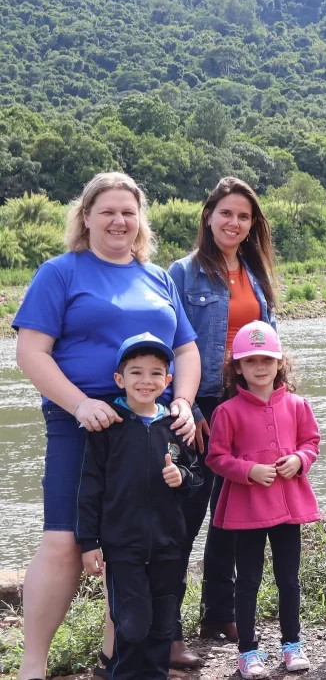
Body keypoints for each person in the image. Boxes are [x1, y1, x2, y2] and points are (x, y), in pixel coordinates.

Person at [12, 172, 200, 680]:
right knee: (63, 541)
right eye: (108, 212)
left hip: (149, 426)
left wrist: (183, 402)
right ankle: (32, 666)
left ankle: (117, 661)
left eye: (128, 212)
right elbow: (31, 352)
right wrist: (79, 405)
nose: (119, 221)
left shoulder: (157, 276)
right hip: (83, 423)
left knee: (133, 543)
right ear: (86, 217)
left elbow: (185, 349)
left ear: (140, 221)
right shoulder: (60, 272)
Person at [168, 176, 278, 660]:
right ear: (208, 217)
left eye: (243, 216)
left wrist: (275, 403)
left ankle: (218, 611)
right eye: (226, 213)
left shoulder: (255, 273)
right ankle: (166, 627)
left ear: (253, 225)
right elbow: (169, 346)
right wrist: (190, 407)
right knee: (185, 515)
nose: (234, 222)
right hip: (200, 406)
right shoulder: (182, 273)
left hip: (245, 405)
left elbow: (269, 346)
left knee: (231, 515)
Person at [76, 334, 202, 679]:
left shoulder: (176, 426)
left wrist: (182, 477)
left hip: (168, 544)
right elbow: (89, 488)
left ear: (168, 380)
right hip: (122, 545)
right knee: (132, 621)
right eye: (136, 372)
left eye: (156, 373)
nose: (146, 381)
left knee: (163, 621)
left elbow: (197, 479)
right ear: (120, 379)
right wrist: (89, 542)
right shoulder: (108, 427)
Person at [206, 321, 320, 679]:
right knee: (248, 580)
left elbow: (311, 442)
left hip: (289, 507)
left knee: (289, 578)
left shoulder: (298, 405)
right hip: (248, 508)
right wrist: (248, 470)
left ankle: (292, 644)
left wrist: (300, 459)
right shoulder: (227, 411)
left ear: (279, 362)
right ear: (238, 367)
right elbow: (216, 457)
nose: (260, 366)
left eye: (267, 359)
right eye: (251, 360)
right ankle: (248, 650)